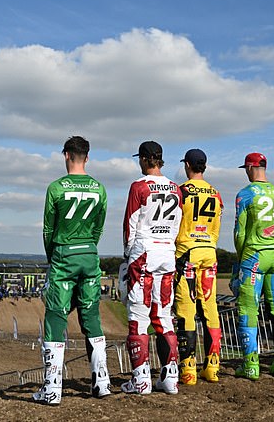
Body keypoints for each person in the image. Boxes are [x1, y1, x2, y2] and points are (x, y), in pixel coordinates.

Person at [33, 135, 111, 405]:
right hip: (89, 254)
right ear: (87, 157)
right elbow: (99, 227)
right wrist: (88, 247)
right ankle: (101, 382)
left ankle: (52, 388)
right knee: (91, 317)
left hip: (63, 254)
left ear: (66, 155)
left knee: (56, 317)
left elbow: (47, 229)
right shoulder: (99, 189)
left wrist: (52, 257)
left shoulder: (55, 188)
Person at [121, 140, 183, 395]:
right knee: (164, 316)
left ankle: (141, 380)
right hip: (167, 253)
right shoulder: (176, 189)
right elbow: (178, 223)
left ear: (146, 160)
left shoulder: (139, 186)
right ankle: (170, 377)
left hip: (143, 254)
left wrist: (127, 257)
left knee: (138, 318)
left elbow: (130, 225)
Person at [232, 152, 274, 379]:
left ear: (249, 168)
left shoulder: (245, 194)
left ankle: (251, 364)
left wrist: (241, 259)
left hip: (253, 257)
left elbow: (240, 232)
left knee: (249, 309)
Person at [174, 148, 224, 385]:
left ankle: (188, 368)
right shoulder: (216, 193)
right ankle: (213, 366)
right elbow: (217, 228)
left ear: (187, 165)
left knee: (186, 310)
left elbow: (175, 224)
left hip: (187, 252)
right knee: (210, 308)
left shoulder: (181, 191)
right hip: (209, 251)